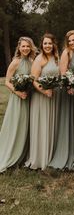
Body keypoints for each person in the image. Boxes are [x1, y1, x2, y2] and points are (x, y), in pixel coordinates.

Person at [49, 30, 74, 170]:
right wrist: (69, 86)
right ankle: (66, 154)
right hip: (69, 90)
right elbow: (63, 73)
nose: (72, 42)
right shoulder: (66, 53)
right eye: (69, 40)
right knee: (68, 119)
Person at [0, 37, 36, 173]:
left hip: (29, 98)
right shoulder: (15, 62)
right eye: (23, 46)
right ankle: (11, 155)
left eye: (28, 46)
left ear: (31, 48)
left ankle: (23, 156)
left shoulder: (32, 62)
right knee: (16, 125)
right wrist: (19, 93)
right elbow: (7, 82)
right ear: (19, 48)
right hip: (18, 98)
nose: (26, 49)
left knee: (26, 126)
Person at [25, 33, 60, 170]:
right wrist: (44, 91)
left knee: (52, 125)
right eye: (45, 43)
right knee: (42, 125)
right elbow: (34, 80)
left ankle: (51, 156)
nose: (47, 46)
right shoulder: (39, 59)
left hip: (55, 97)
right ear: (41, 45)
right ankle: (40, 158)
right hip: (41, 97)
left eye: (49, 43)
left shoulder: (56, 58)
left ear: (54, 44)